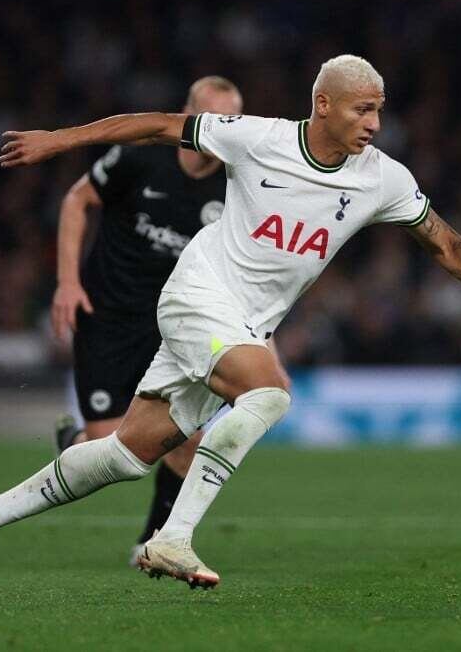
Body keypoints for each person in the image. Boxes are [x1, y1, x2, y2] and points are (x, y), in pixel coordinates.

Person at [0, 54, 461, 591]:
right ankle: (173, 537)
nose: (375, 124)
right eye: (363, 110)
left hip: (245, 323)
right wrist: (59, 140)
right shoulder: (258, 138)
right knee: (268, 392)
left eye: (379, 111)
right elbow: (158, 125)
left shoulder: (382, 178)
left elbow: (441, 241)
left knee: (126, 455)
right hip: (199, 294)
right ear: (324, 104)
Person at [49, 76, 289, 564]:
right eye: (209, 117)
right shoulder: (139, 158)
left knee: (186, 438)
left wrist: (266, 345)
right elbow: (77, 200)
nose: (219, 129)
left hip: (180, 323)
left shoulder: (238, 185)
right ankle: (72, 440)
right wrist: (67, 282)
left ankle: (153, 541)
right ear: (187, 114)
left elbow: (250, 279)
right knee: (111, 447)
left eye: (230, 120)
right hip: (108, 315)